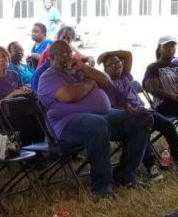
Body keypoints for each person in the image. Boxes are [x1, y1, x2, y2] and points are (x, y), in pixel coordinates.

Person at [37, 40, 149, 199]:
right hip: (66, 123)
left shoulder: (79, 70)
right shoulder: (48, 77)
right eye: (62, 55)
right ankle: (102, 186)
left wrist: (85, 68)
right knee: (97, 124)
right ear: (51, 58)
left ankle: (125, 175)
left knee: (140, 119)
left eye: (69, 53)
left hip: (103, 114)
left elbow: (107, 82)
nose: (68, 57)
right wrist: (90, 82)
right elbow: (69, 96)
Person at [99, 51, 178, 178]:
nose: (117, 65)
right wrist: (129, 109)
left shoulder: (125, 75)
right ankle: (151, 167)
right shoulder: (107, 83)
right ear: (105, 69)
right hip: (128, 117)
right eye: (112, 64)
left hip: (145, 111)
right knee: (141, 129)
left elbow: (128, 55)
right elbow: (111, 108)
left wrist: (107, 54)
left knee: (168, 126)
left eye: (118, 62)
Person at [143, 36, 178, 158]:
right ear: (159, 49)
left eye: (173, 46)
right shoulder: (153, 67)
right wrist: (174, 96)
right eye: (166, 46)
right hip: (164, 103)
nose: (170, 49)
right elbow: (153, 89)